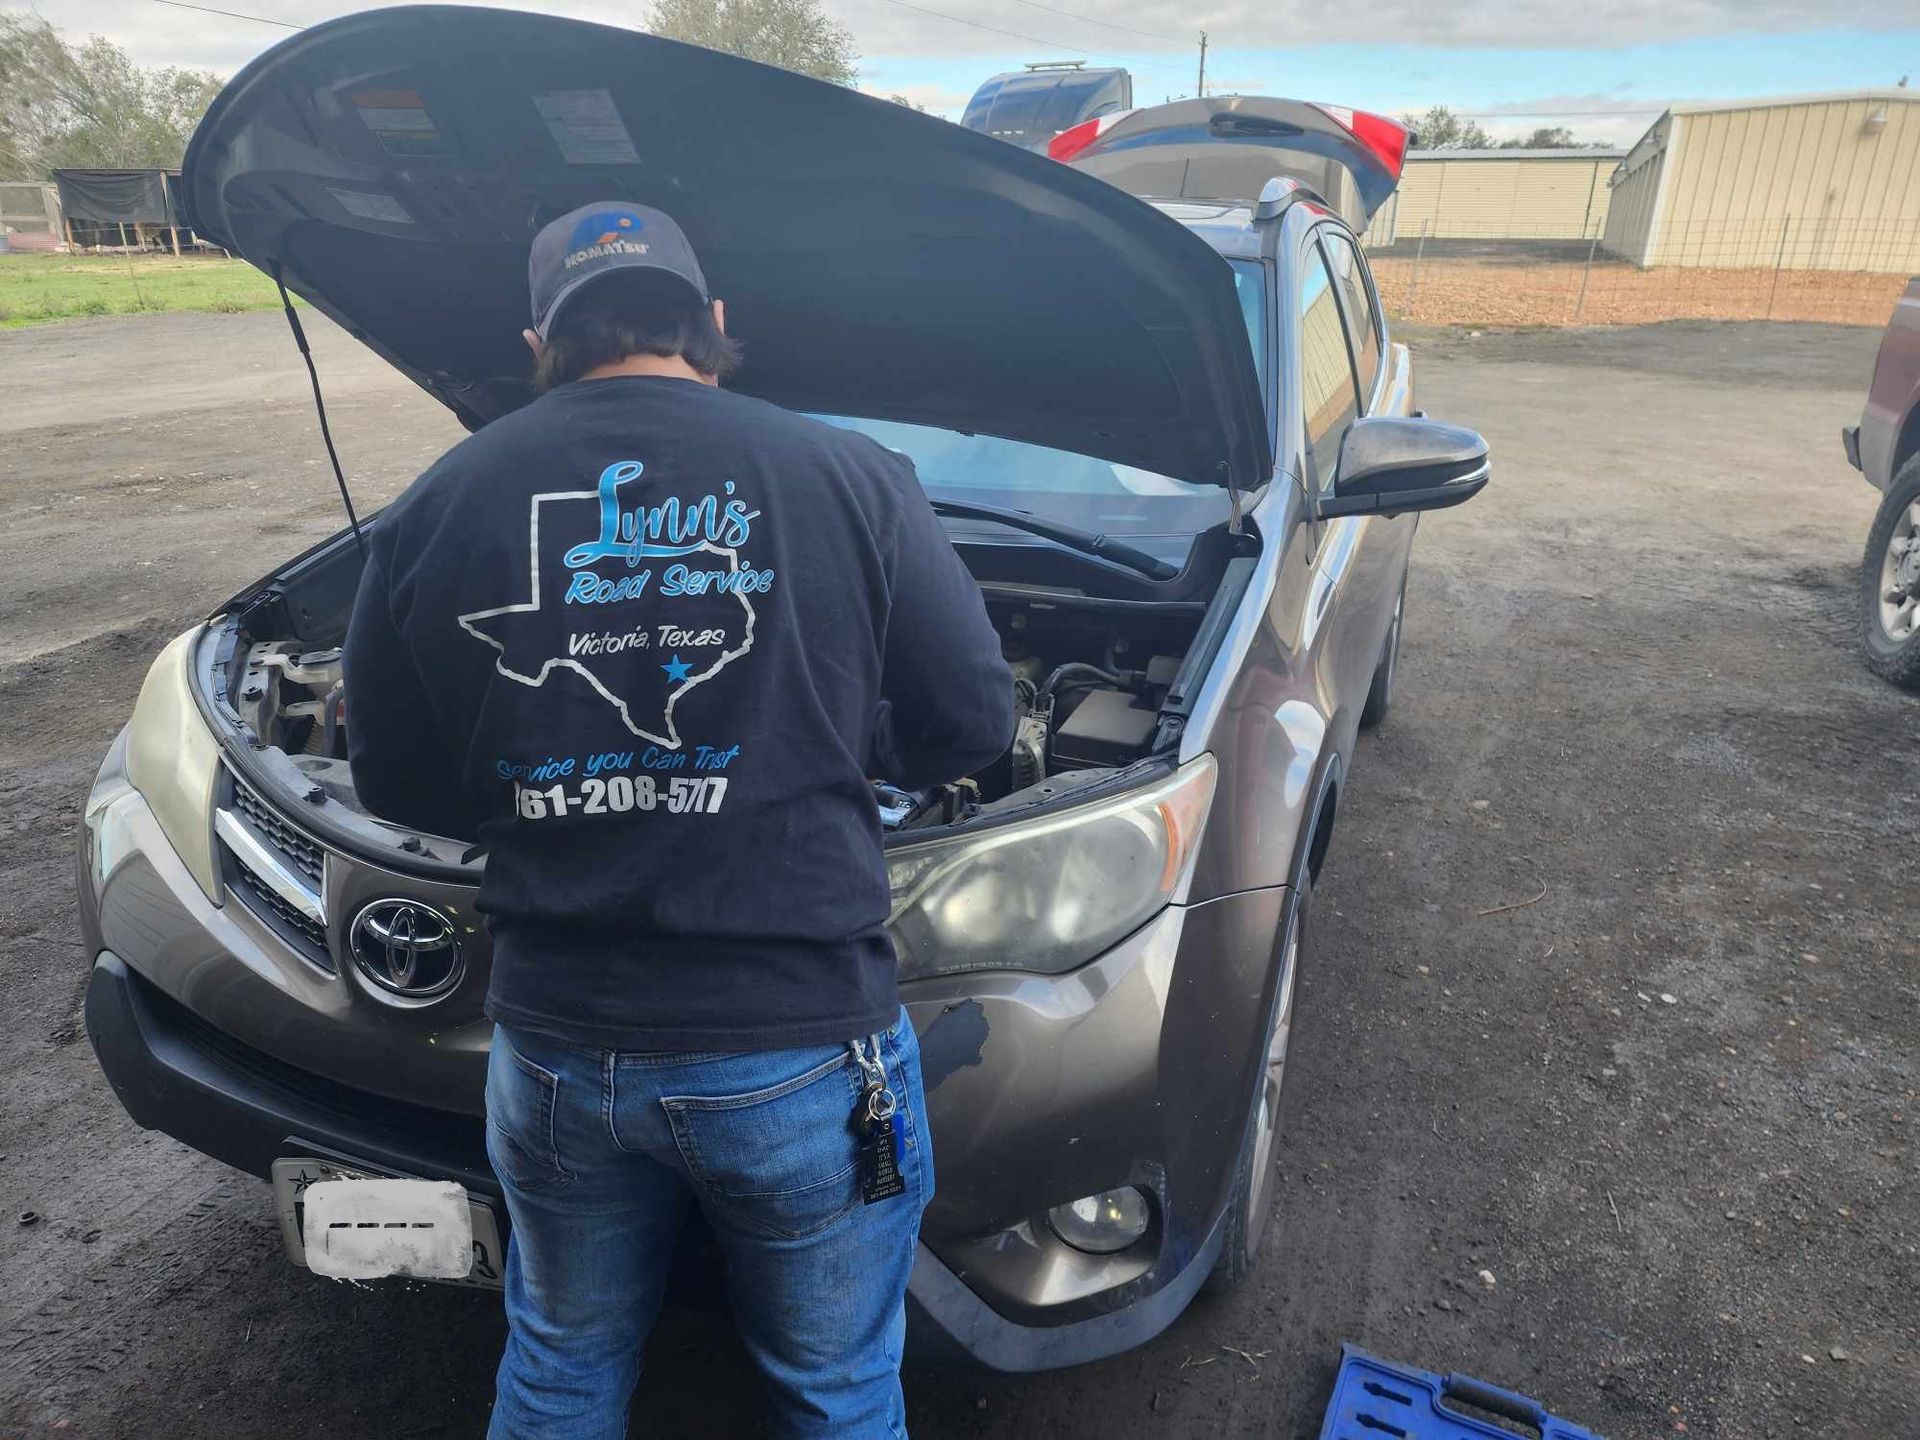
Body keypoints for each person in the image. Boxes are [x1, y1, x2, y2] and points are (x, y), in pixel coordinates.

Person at [341, 200, 1013, 1439]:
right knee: (837, 1386)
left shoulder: (443, 497)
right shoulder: (851, 474)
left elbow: (393, 781)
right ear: (711, 322)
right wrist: (840, 752)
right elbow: (973, 720)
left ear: (540, 335)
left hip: (554, 1052)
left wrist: (551, 785)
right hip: (801, 1048)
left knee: (559, 1363)